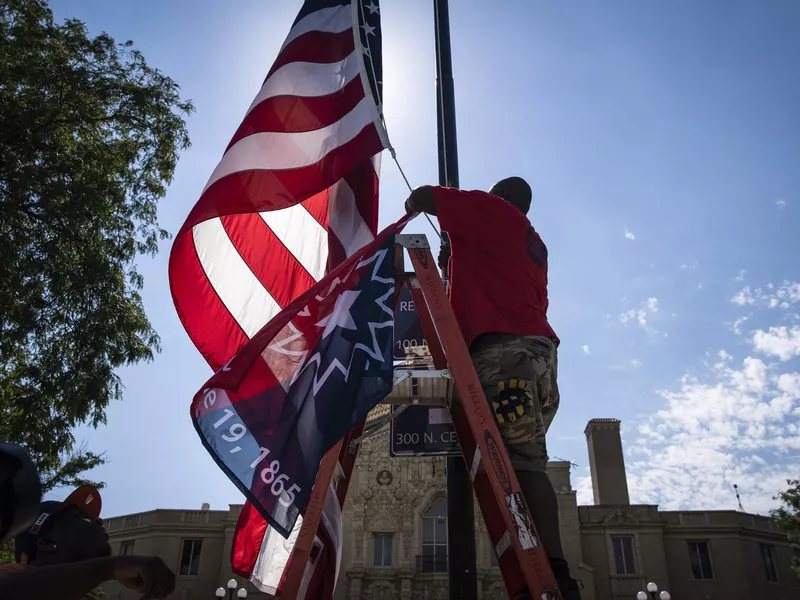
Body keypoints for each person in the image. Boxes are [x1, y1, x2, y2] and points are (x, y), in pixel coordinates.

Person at [405, 178, 581, 600]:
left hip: (504, 353)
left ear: (498, 197)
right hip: (536, 356)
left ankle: (550, 575)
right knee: (527, 461)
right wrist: (454, 261)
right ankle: (550, 571)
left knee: (520, 465)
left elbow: (421, 198)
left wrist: (438, 213)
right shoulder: (528, 240)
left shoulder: (495, 211)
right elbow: (488, 279)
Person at [0, 484, 175, 600]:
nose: (99, 521)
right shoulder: (12, 577)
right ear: (46, 542)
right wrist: (110, 567)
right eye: (82, 517)